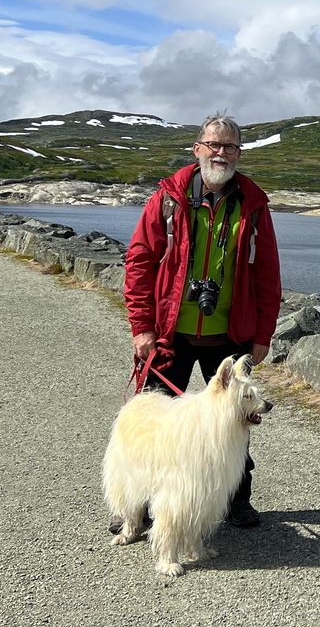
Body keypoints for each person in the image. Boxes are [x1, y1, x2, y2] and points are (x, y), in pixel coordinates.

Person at [121, 111, 282, 527]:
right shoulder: (168, 199)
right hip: (168, 334)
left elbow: (267, 275)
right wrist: (142, 326)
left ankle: (235, 501)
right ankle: (137, 505)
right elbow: (139, 261)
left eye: (229, 146)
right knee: (150, 424)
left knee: (234, 424)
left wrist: (262, 335)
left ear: (239, 153)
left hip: (230, 335)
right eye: (213, 144)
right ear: (197, 149)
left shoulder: (253, 205)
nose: (220, 153)